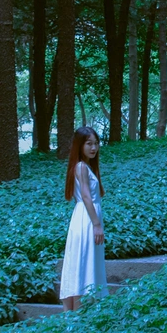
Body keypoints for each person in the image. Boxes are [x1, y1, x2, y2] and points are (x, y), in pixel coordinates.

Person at [60, 127, 108, 311]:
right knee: (84, 262)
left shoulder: (84, 167)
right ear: (79, 145)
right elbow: (87, 197)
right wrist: (97, 224)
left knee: (83, 262)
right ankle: (80, 311)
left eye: (96, 143)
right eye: (89, 144)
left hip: (83, 217)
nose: (93, 148)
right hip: (87, 220)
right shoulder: (81, 167)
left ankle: (77, 312)